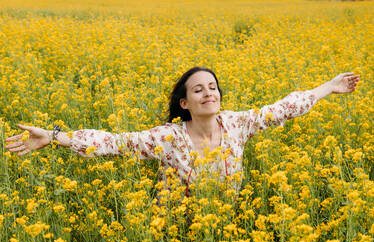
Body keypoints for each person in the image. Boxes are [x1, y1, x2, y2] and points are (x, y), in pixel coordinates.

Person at [5, 67, 360, 195]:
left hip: (222, 229)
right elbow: (113, 143)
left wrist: (327, 87)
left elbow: (282, 109)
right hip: (170, 233)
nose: (209, 92)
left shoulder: (236, 125)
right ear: (185, 103)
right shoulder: (168, 137)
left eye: (213, 86)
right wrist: (53, 136)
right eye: (198, 89)